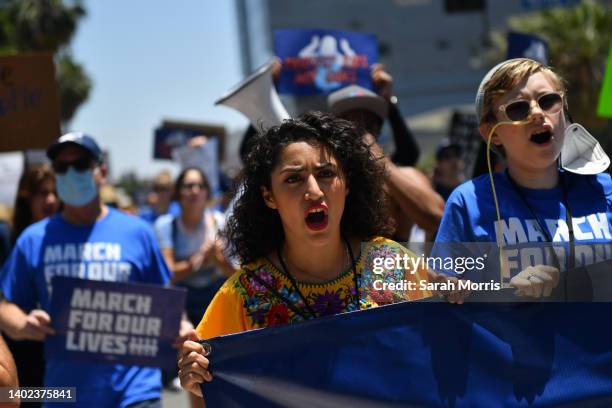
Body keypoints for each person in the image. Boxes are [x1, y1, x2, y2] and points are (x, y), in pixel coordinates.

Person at [177, 112, 433, 401]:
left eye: (326, 174)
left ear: (347, 183)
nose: (313, 191)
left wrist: (466, 296)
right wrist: (195, 376)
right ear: (268, 197)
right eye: (293, 179)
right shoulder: (244, 295)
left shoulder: (394, 262)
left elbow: (443, 354)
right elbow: (205, 385)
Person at [0, 132, 186, 407]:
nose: (71, 173)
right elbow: (5, 306)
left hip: (135, 392)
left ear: (101, 171)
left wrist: (182, 326)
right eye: (62, 167)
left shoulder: (138, 232)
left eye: (81, 164)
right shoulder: (33, 239)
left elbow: (165, 300)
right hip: (66, 395)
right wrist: (24, 325)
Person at [434, 58, 612, 298]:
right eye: (518, 108)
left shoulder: (604, 190)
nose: (538, 113)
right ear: (491, 133)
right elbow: (440, 295)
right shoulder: (468, 203)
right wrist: (503, 289)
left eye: (549, 101)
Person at [328, 81, 445, 242]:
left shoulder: (405, 176)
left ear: (377, 131)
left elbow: (435, 219)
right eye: (346, 124)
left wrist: (380, 163)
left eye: (366, 124)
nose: (356, 131)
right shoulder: (320, 180)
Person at [2, 164, 60, 406]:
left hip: (56, 358)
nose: (50, 200)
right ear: (26, 198)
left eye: (54, 192)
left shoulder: (69, 237)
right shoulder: (7, 237)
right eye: (41, 193)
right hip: (18, 353)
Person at [154, 167, 235, 327]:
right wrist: (198, 260)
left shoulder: (221, 222)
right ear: (178, 192)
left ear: (207, 192)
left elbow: (236, 274)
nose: (195, 191)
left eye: (200, 186)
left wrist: (218, 259)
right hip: (181, 307)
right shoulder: (166, 225)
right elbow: (167, 274)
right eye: (188, 186)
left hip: (215, 301)